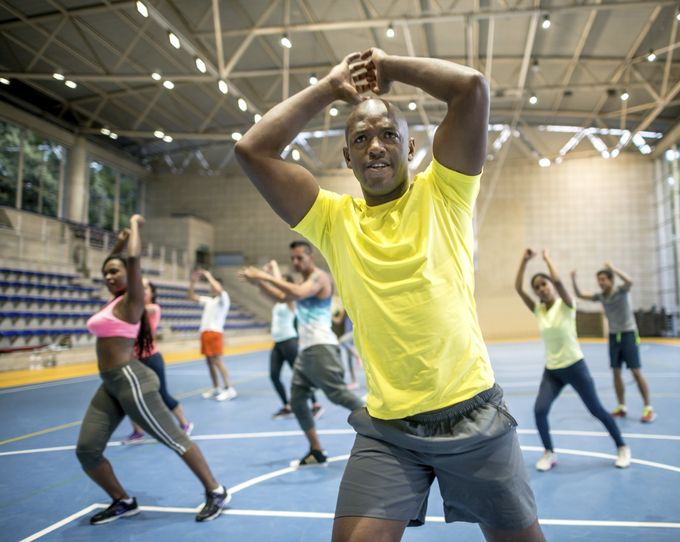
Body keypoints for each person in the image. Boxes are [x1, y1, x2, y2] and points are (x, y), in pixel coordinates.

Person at [235, 47, 545, 542]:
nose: (375, 145)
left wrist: (389, 67)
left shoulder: (445, 192)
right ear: (348, 156)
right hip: (389, 430)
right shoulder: (332, 220)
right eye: (361, 138)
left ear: (411, 145)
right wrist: (328, 88)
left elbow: (471, 88)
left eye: (387, 135)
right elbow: (252, 151)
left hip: (472, 415)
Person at [76, 216, 229, 524]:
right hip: (110, 383)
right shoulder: (113, 301)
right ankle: (123, 500)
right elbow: (116, 259)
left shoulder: (131, 302)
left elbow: (131, 259)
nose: (107, 275)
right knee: (87, 449)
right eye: (105, 272)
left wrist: (133, 226)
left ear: (129, 277)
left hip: (132, 380)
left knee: (175, 439)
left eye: (114, 272)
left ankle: (216, 490)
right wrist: (117, 244)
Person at [239, 241, 363, 466]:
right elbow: (281, 297)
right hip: (306, 351)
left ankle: (387, 431)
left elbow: (296, 292)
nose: (295, 262)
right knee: (297, 400)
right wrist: (258, 282)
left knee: (339, 396)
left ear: (310, 256)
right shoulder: (304, 281)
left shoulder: (320, 278)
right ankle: (316, 449)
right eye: (293, 259)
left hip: (321, 347)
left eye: (299, 258)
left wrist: (265, 277)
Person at [515, 249, 631, 471]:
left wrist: (548, 259)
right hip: (553, 372)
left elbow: (559, 283)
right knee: (540, 410)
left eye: (544, 284)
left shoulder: (566, 305)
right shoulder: (538, 310)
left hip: (575, 367)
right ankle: (549, 452)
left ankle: (622, 446)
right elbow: (519, 289)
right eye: (537, 286)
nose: (542, 288)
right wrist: (523, 261)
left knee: (596, 410)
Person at [572, 262, 655, 422]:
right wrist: (574, 280)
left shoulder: (621, 291)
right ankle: (622, 406)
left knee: (635, 372)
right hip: (613, 336)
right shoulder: (602, 296)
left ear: (610, 280)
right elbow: (580, 294)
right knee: (616, 372)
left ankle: (648, 408)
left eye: (603, 279)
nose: (600, 282)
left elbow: (629, 281)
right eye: (599, 280)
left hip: (628, 334)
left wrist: (614, 269)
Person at [244, 259, 323, 419]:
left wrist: (273, 268)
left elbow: (278, 284)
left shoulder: (291, 301)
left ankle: (315, 404)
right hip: (278, 343)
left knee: (300, 374)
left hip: (289, 341)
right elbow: (267, 289)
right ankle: (287, 405)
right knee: (274, 375)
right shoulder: (279, 302)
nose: (280, 286)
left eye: (284, 284)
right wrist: (263, 275)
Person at [122, 278, 193, 444]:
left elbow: (139, 310)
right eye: (139, 287)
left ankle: (185, 424)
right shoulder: (132, 309)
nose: (142, 290)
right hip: (134, 359)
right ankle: (138, 432)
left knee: (162, 394)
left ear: (152, 293)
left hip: (152, 358)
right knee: (130, 397)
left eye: (145, 288)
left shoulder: (153, 309)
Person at [188, 269, 236, 401]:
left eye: (213, 285)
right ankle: (216, 387)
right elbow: (192, 296)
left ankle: (229, 388)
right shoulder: (209, 300)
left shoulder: (224, 298)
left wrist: (209, 275)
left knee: (217, 361)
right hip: (205, 332)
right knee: (209, 362)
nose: (211, 287)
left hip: (215, 333)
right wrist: (192, 283)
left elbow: (219, 290)